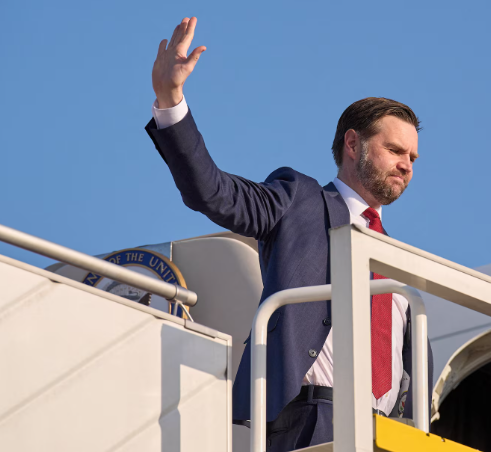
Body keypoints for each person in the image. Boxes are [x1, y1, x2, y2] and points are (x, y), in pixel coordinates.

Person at [145, 17, 433, 452]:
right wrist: (171, 101)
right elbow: (214, 192)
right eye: (394, 150)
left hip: (388, 436)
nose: (406, 164)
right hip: (314, 417)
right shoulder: (300, 199)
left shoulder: (397, 260)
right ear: (352, 145)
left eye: (412, 156)